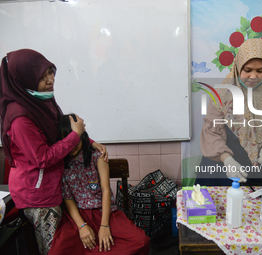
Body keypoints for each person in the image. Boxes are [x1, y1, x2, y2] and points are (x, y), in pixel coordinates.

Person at [0, 49, 108, 255]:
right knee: (52, 249)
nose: (50, 80)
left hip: (52, 186)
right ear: (25, 80)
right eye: (42, 78)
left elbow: (61, 131)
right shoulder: (20, 119)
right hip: (37, 195)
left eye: (51, 72)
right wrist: (76, 136)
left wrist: (88, 141)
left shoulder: (40, 100)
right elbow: (42, 157)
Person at [48, 114, 150, 255]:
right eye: (67, 140)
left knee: (141, 241)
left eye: (75, 140)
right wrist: (82, 226)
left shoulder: (97, 156)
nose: (72, 145)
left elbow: (106, 190)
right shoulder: (62, 163)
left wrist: (104, 225)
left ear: (82, 137)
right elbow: (68, 199)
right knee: (59, 251)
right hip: (78, 216)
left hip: (104, 212)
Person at [196, 38, 262, 186]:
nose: (253, 76)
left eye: (260, 71)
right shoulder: (223, 94)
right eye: (247, 70)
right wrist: (227, 159)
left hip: (252, 168)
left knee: (250, 207)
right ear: (238, 67)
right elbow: (211, 132)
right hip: (221, 166)